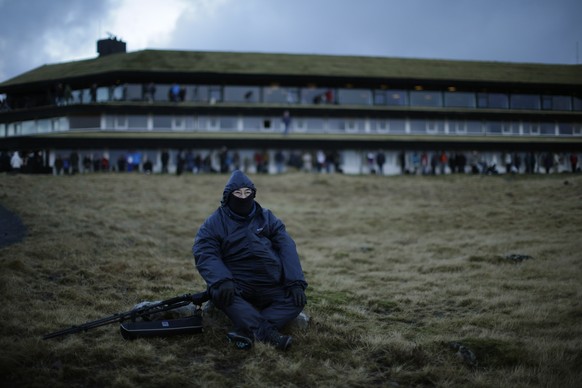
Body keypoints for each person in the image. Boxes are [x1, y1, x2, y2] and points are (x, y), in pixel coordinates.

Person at [192, 170, 307, 351]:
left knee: (296, 300)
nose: (243, 197)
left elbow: (287, 246)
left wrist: (295, 282)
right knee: (220, 294)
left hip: (269, 283)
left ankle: (246, 330)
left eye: (247, 193)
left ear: (253, 194)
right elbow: (205, 252)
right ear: (228, 196)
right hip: (238, 285)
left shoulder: (267, 217)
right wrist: (221, 280)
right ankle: (268, 334)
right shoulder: (214, 223)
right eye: (238, 193)